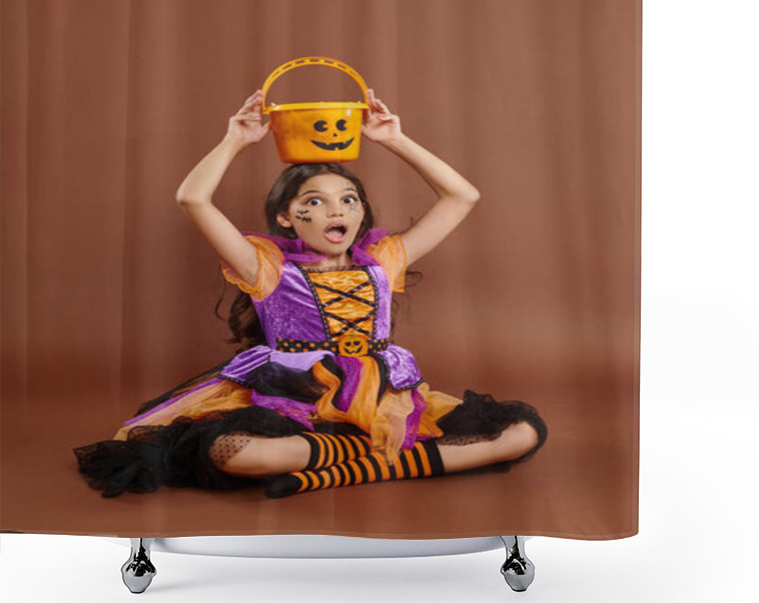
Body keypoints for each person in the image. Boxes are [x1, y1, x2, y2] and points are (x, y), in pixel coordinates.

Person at [74, 87, 547, 498]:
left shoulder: (384, 260)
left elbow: (462, 196)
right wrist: (235, 139)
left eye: (348, 200)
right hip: (292, 396)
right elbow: (192, 198)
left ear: (361, 212)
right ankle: (385, 457)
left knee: (520, 431)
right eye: (313, 203)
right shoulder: (265, 266)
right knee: (235, 453)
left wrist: (394, 139)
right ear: (285, 216)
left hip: (383, 398)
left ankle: (332, 473)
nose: (334, 211)